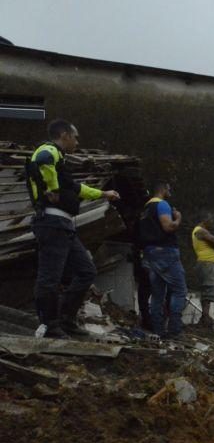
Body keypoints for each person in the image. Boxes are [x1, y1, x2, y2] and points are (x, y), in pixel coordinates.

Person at [27, 119, 120, 338]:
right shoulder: (49, 150)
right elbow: (41, 159)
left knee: (86, 271)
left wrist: (103, 194)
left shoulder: (61, 163)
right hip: (52, 223)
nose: (77, 142)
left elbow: (77, 188)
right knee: (50, 277)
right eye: (75, 137)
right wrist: (51, 188)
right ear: (65, 136)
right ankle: (50, 325)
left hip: (64, 226)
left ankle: (66, 320)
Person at [137, 181, 187, 339]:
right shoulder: (163, 204)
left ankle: (158, 331)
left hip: (150, 254)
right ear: (163, 189)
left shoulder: (146, 209)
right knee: (179, 291)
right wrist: (178, 218)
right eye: (169, 188)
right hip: (166, 253)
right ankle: (175, 331)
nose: (170, 190)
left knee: (157, 294)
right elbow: (168, 227)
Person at [191, 212, 214, 326]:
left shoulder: (200, 231)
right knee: (208, 288)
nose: (212, 222)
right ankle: (205, 317)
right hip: (207, 263)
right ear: (205, 220)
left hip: (207, 264)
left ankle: (205, 316)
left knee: (207, 289)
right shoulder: (201, 230)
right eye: (211, 220)